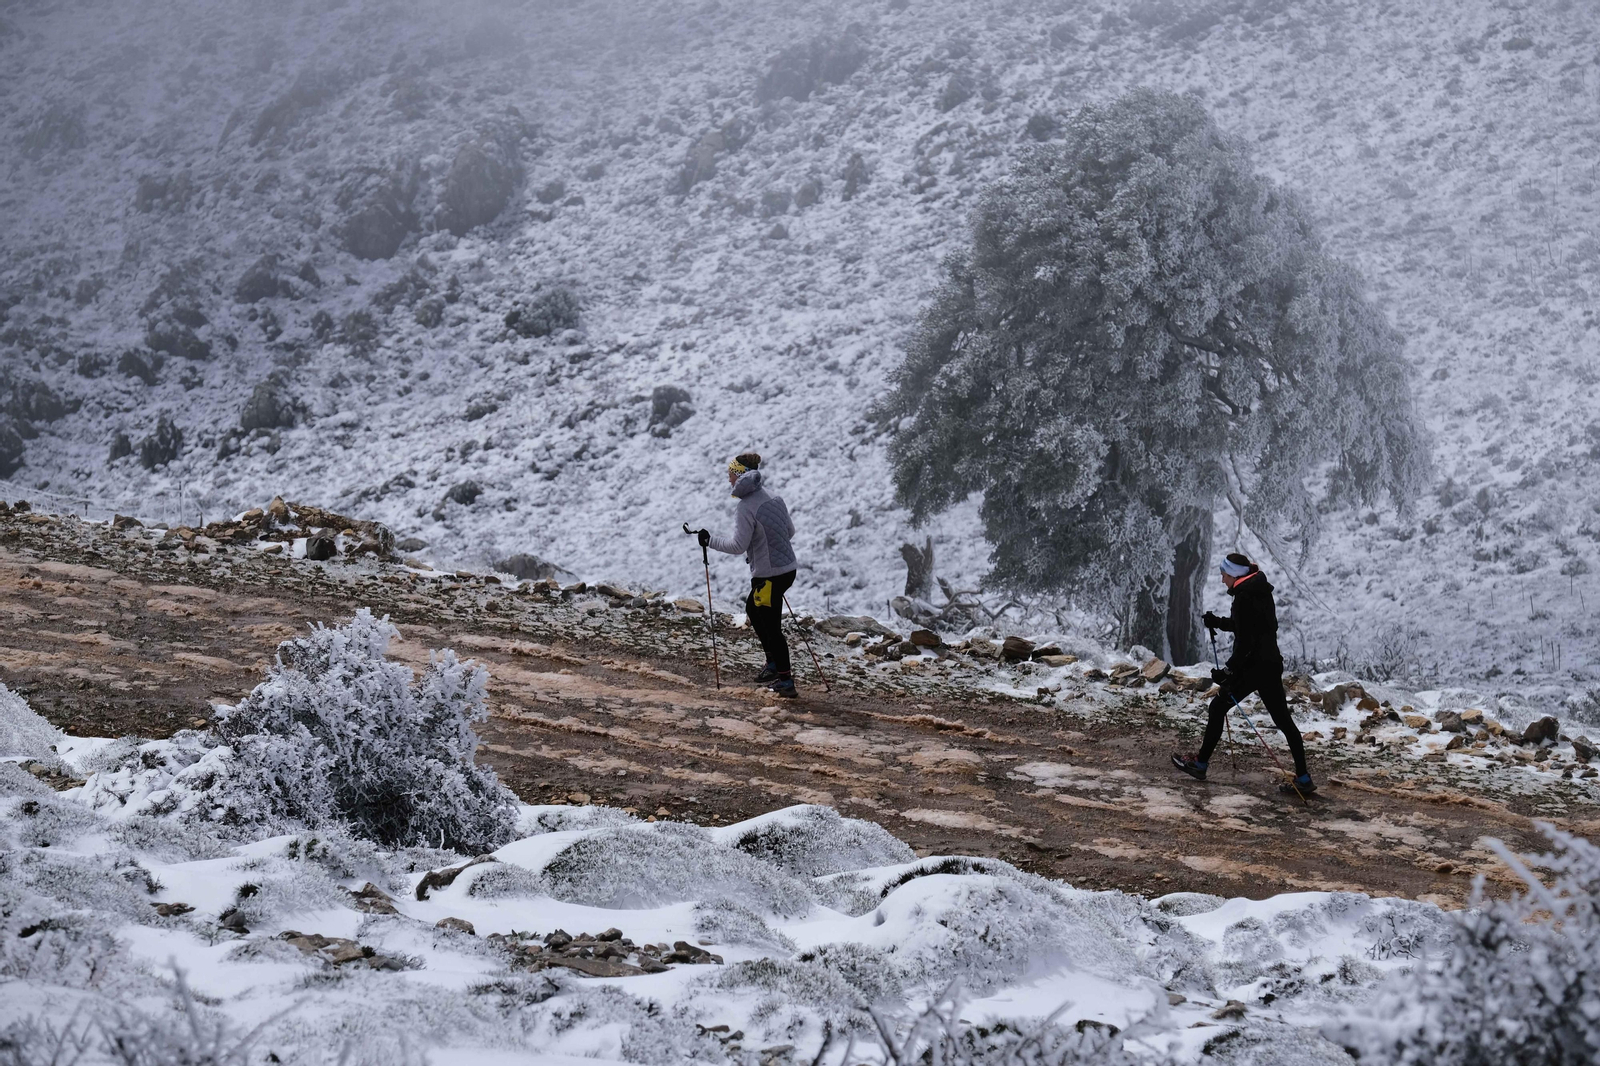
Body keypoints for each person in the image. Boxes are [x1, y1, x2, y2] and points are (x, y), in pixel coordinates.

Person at [1171, 552, 1315, 796]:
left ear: (1234, 575)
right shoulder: (1259, 589)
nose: (1222, 580)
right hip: (1270, 665)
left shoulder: (1243, 597)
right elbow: (1251, 626)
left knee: (1217, 708)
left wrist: (1228, 671)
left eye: (1224, 575)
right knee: (1284, 722)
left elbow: (1246, 641)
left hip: (1252, 668)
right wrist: (1218, 622)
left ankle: (1200, 765)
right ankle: (1303, 778)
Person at [696, 452, 799, 697]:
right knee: (753, 610)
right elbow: (790, 532)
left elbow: (737, 546)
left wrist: (709, 541)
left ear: (740, 475)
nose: (729, 480)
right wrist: (765, 548)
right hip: (787, 571)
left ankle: (785, 680)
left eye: (731, 475)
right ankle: (774, 664)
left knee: (771, 627)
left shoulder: (745, 507)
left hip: (768, 577)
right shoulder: (775, 498)